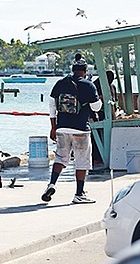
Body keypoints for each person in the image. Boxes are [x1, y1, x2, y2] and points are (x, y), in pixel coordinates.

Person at [42, 54, 102, 204]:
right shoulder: (88, 85)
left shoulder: (60, 83)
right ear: (85, 71)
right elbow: (96, 107)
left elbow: (51, 106)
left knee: (61, 158)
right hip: (80, 129)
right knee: (82, 161)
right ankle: (79, 194)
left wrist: (53, 127)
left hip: (62, 128)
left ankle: (51, 184)